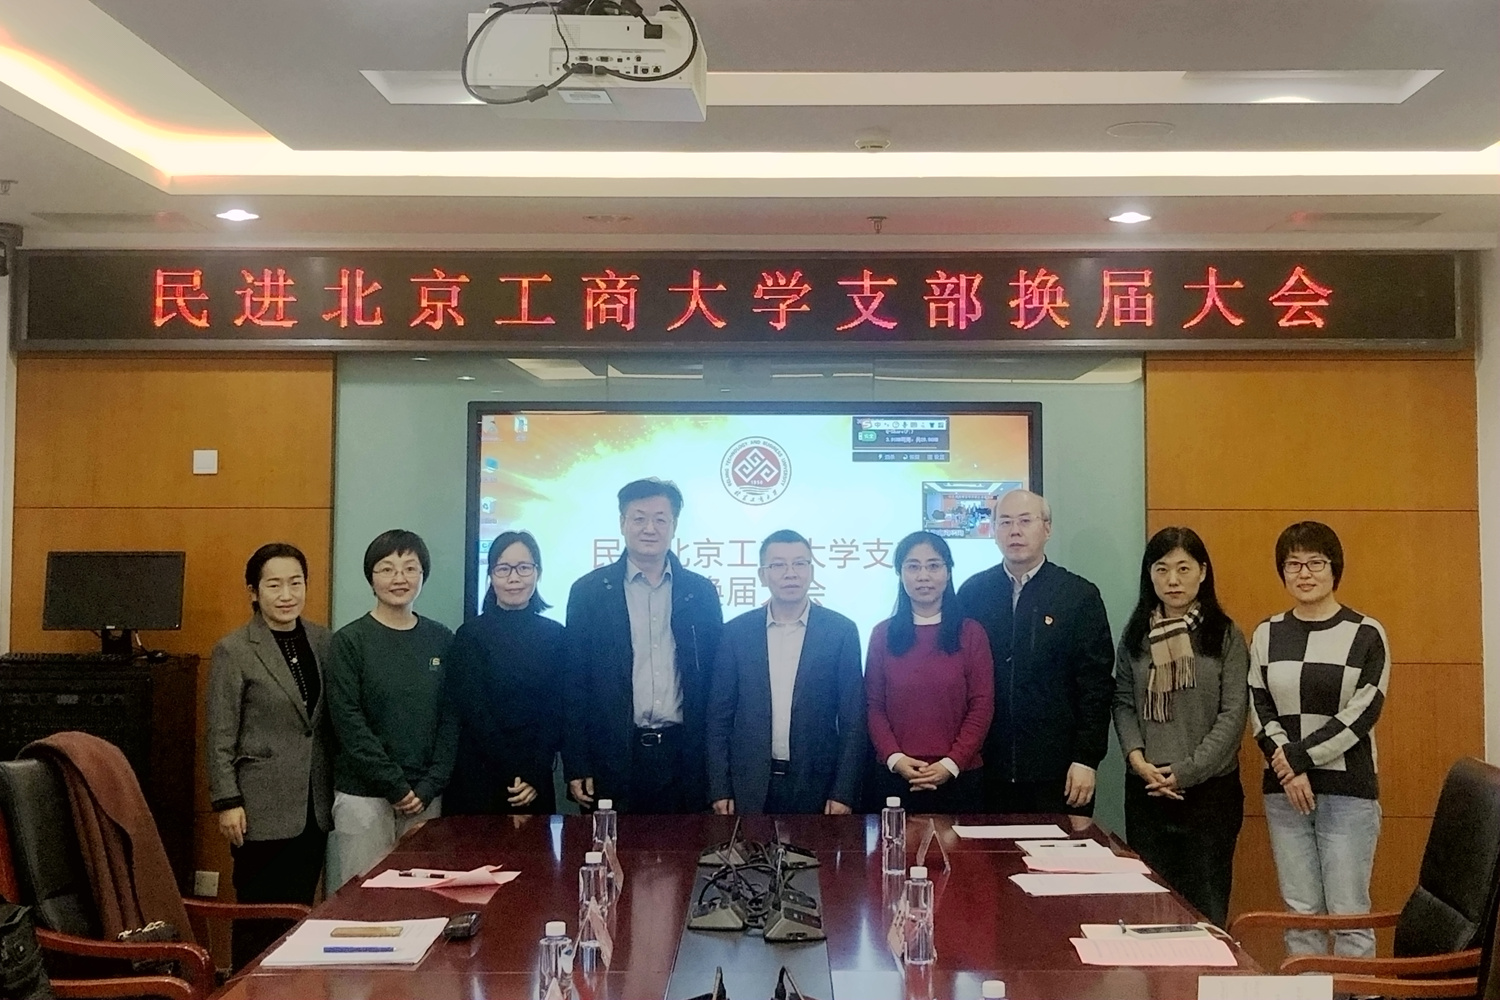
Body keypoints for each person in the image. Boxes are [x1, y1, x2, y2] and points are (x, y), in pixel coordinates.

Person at [1249, 521, 1390, 959]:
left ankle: (1359, 991)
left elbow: (1362, 713)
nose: (1304, 573)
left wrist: (1298, 759)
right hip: (1284, 791)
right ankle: (1308, 988)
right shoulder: (1267, 633)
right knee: (1301, 915)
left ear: (1334, 569)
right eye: (1293, 564)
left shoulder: (1366, 633)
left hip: (1348, 790)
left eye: (1316, 562)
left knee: (1349, 915)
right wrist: (1289, 770)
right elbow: (1260, 708)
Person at [1112, 527, 1248, 928]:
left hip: (1209, 794)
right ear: (1149, 575)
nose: (1173, 580)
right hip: (1147, 790)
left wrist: (1187, 771)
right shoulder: (1136, 635)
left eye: (1183, 568)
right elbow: (1123, 701)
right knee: (1149, 907)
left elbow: (1233, 713)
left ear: (1202, 572)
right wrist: (1138, 760)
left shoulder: (1224, 635)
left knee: (1205, 908)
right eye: (1162, 569)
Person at [206, 543, 333, 969]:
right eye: (274, 585)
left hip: (313, 805)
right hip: (258, 806)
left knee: (299, 913)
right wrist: (227, 801)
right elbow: (220, 732)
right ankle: (248, 988)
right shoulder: (235, 649)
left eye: (295, 583)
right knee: (259, 916)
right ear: (254, 592)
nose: (286, 594)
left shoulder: (323, 640)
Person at [563, 479, 724, 814]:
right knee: (612, 846)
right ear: (622, 523)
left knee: (685, 846)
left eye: (660, 519)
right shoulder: (589, 592)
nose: (650, 528)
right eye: (639, 518)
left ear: (674, 525)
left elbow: (715, 681)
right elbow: (574, 683)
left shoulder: (700, 593)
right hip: (613, 757)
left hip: (683, 758)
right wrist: (577, 762)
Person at [956, 489, 1114, 816]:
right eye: (1005, 522)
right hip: (986, 769)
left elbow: (1096, 686)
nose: (1015, 531)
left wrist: (1086, 759)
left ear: (1047, 528)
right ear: (994, 531)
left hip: (1058, 772)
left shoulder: (1077, 595)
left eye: (1025, 521)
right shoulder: (973, 593)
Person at [326, 529, 458, 887]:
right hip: (364, 797)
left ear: (423, 575)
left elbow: (451, 718)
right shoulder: (349, 641)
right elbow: (348, 722)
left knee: (422, 900)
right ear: (371, 577)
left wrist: (429, 786)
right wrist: (395, 786)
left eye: (410, 568)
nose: (399, 578)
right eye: (387, 569)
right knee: (363, 900)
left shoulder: (441, 639)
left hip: (425, 798)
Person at [706, 529, 866, 815]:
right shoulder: (736, 633)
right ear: (762, 575)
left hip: (817, 786)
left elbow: (853, 719)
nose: (790, 573)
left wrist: (843, 791)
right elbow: (719, 717)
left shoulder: (840, 631)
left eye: (800, 564)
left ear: (811, 571)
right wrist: (720, 786)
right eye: (778, 565)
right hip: (749, 784)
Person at [865, 531, 994, 813]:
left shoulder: (971, 633)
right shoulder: (882, 634)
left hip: (960, 776)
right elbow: (874, 706)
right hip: (896, 777)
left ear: (948, 572)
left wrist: (951, 763)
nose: (923, 576)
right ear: (900, 574)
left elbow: (982, 706)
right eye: (913, 566)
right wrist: (895, 758)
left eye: (933, 566)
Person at [444, 531, 566, 815]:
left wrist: (533, 773)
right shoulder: (469, 635)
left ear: (537, 573)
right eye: (503, 569)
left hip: (535, 780)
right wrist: (515, 773)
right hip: (479, 778)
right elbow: (474, 712)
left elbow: (556, 710)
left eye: (524, 568)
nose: (514, 578)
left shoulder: (556, 636)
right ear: (491, 575)